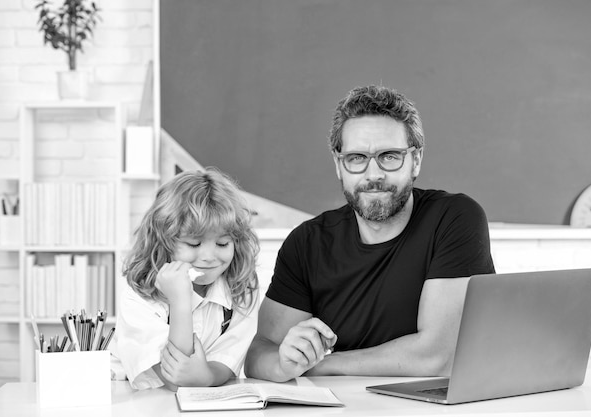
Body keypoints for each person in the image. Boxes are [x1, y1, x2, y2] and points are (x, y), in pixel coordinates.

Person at [244, 85, 495, 382]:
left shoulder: (453, 218)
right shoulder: (306, 243)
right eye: (357, 158)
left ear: (415, 160)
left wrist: (325, 365)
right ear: (340, 165)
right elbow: (259, 354)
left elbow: (438, 356)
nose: (373, 175)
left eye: (389, 156)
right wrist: (285, 363)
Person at [112, 167, 260, 390]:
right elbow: (174, 379)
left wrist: (207, 377)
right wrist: (180, 301)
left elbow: (227, 361)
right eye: (194, 244)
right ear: (164, 241)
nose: (209, 257)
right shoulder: (138, 297)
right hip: (136, 401)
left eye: (222, 244)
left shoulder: (241, 288)